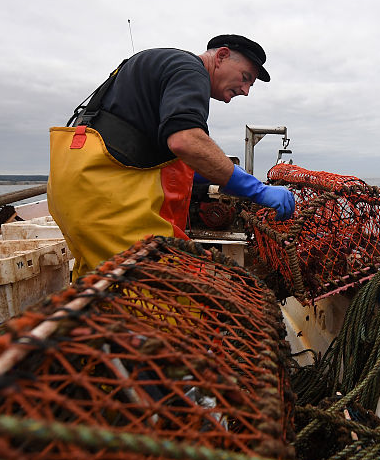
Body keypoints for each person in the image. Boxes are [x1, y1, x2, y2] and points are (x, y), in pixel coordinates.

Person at [48, 34, 295, 279]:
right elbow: (186, 142)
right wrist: (257, 190)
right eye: (245, 78)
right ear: (221, 56)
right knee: (161, 292)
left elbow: (185, 160)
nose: (246, 90)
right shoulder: (191, 69)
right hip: (103, 195)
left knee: (99, 283)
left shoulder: (161, 68)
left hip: (74, 185)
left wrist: (234, 181)